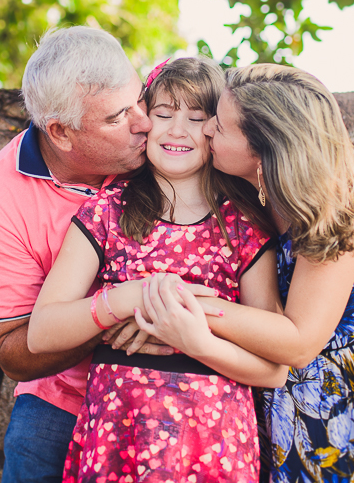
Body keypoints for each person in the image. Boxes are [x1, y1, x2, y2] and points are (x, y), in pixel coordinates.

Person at [0, 27, 354, 483]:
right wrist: (136, 302)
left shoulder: (243, 215)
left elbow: (287, 123)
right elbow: (22, 344)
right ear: (62, 133)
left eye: (139, 105)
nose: (146, 124)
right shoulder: (43, 205)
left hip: (220, 433)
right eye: (123, 117)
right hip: (80, 408)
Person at [27, 56, 291, 483]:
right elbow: (41, 332)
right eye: (164, 114)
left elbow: (274, 368)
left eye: (197, 117)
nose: (177, 130)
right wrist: (131, 297)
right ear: (144, 120)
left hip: (214, 441)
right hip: (119, 431)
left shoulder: (244, 227)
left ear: (216, 132)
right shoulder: (106, 212)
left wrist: (192, 334)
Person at [198, 64, 354, 481]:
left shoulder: (329, 211)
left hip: (332, 417)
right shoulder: (261, 192)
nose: (205, 129)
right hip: (274, 404)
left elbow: (299, 344)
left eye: (220, 126)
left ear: (266, 149)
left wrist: (189, 305)